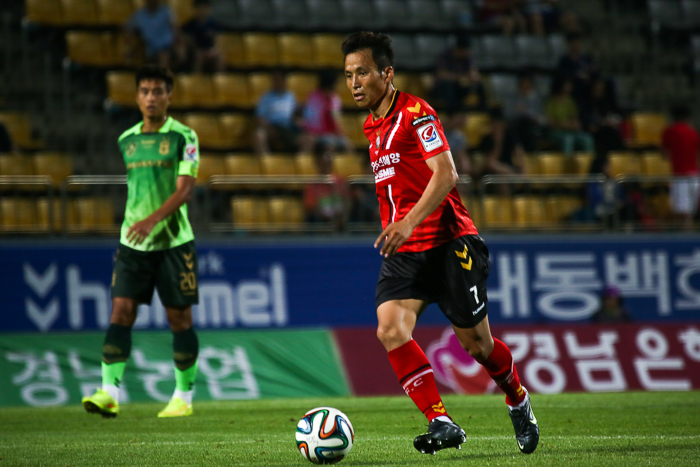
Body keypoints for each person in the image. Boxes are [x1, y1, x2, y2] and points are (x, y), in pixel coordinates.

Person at [342, 31, 539, 456]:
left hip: (450, 243)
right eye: (349, 75)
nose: (354, 83)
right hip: (406, 250)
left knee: (478, 346)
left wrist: (408, 222)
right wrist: (401, 227)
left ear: (387, 74)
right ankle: (440, 420)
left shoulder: (417, 113)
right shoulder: (371, 125)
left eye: (363, 73)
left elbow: (447, 173)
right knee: (390, 329)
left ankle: (517, 398)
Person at [82, 66, 200, 419]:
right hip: (132, 243)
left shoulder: (184, 137)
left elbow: (185, 190)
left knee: (179, 318)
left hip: (174, 242)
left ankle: (183, 397)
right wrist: (139, 222)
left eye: (158, 91)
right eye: (145, 91)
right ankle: (109, 393)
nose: (151, 97)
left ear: (169, 96)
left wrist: (152, 220)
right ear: (136, 97)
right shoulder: (127, 140)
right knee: (121, 311)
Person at [662, 105, 700, 230]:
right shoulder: (693, 132)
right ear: (688, 117)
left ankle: (685, 237)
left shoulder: (670, 131)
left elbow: (664, 154)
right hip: (695, 176)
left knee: (683, 213)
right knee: (687, 213)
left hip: (680, 176)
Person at [300, 70, 353, 156]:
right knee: (329, 144)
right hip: (316, 133)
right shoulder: (314, 98)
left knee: (348, 145)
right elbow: (310, 120)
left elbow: (336, 120)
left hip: (331, 134)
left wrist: (340, 134)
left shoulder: (334, 98)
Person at [431, 33, 487, 112]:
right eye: (463, 51)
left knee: (479, 84)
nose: (465, 53)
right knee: (449, 85)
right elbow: (441, 74)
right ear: (457, 49)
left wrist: (472, 78)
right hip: (441, 87)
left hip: (460, 85)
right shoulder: (444, 55)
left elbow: (473, 72)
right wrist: (459, 78)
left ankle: (483, 110)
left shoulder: (467, 57)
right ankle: (453, 112)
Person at [125, 0, 182, 69]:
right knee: (161, 56)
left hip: (168, 45)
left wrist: (177, 40)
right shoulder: (140, 15)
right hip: (152, 48)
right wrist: (129, 39)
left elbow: (175, 26)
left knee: (166, 54)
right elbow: (128, 26)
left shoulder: (166, 11)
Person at [545, 77, 594, 156]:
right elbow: (550, 122)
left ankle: (589, 162)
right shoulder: (551, 101)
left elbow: (575, 117)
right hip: (555, 132)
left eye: (570, 85)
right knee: (568, 139)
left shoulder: (570, 101)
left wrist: (575, 124)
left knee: (587, 138)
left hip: (570, 131)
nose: (569, 87)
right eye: (567, 85)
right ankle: (568, 163)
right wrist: (564, 125)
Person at [254, 71, 300, 154]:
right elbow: (260, 118)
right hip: (272, 127)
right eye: (274, 80)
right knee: (258, 135)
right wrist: (268, 128)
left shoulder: (291, 97)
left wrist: (298, 122)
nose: (275, 82)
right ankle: (266, 160)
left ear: (284, 80)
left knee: (308, 139)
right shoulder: (266, 97)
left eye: (278, 79)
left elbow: (295, 115)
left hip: (288, 128)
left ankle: (299, 161)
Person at [505, 74, 545, 152]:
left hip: (533, 127)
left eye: (528, 84)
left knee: (528, 125)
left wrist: (527, 112)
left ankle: (531, 152)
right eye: (523, 84)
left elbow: (542, 119)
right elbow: (507, 115)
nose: (525, 87)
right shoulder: (512, 98)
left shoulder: (537, 99)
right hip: (516, 126)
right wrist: (518, 111)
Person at [480, 107, 526, 176]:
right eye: (495, 124)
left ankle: (514, 175)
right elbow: (491, 162)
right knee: (492, 164)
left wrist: (521, 167)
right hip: (493, 172)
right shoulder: (486, 139)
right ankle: (514, 175)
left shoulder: (510, 135)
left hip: (507, 167)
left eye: (499, 124)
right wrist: (498, 141)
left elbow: (518, 151)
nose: (497, 127)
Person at [181, 0, 223, 73]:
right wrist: (197, 49)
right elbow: (189, 42)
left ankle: (220, 77)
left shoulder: (214, 24)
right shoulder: (190, 25)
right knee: (199, 56)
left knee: (219, 56)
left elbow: (218, 40)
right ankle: (196, 76)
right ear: (195, 10)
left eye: (205, 8)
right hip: (196, 50)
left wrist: (213, 50)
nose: (202, 11)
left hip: (210, 50)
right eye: (200, 8)